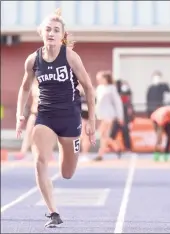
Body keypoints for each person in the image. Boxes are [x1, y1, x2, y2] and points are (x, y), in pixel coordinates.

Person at [15, 8, 96, 228]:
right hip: (45, 116)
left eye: (56, 30)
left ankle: (66, 147)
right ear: (41, 32)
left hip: (70, 118)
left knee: (67, 173)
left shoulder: (70, 56)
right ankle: (53, 212)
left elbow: (88, 88)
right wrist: (19, 115)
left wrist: (92, 123)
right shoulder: (33, 60)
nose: (51, 33)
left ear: (63, 35)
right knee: (40, 161)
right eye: (48, 29)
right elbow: (24, 88)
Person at [93, 71, 124, 161]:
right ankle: (116, 148)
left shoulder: (112, 89)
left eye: (100, 79)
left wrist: (120, 116)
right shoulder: (99, 88)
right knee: (103, 135)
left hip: (109, 114)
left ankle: (101, 154)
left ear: (106, 79)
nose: (98, 81)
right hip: (101, 114)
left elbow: (117, 103)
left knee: (103, 134)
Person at [19, 80, 39, 157]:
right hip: (34, 113)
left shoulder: (46, 86)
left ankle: (47, 153)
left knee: (46, 134)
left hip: (44, 114)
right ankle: (23, 152)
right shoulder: (34, 86)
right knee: (28, 133)